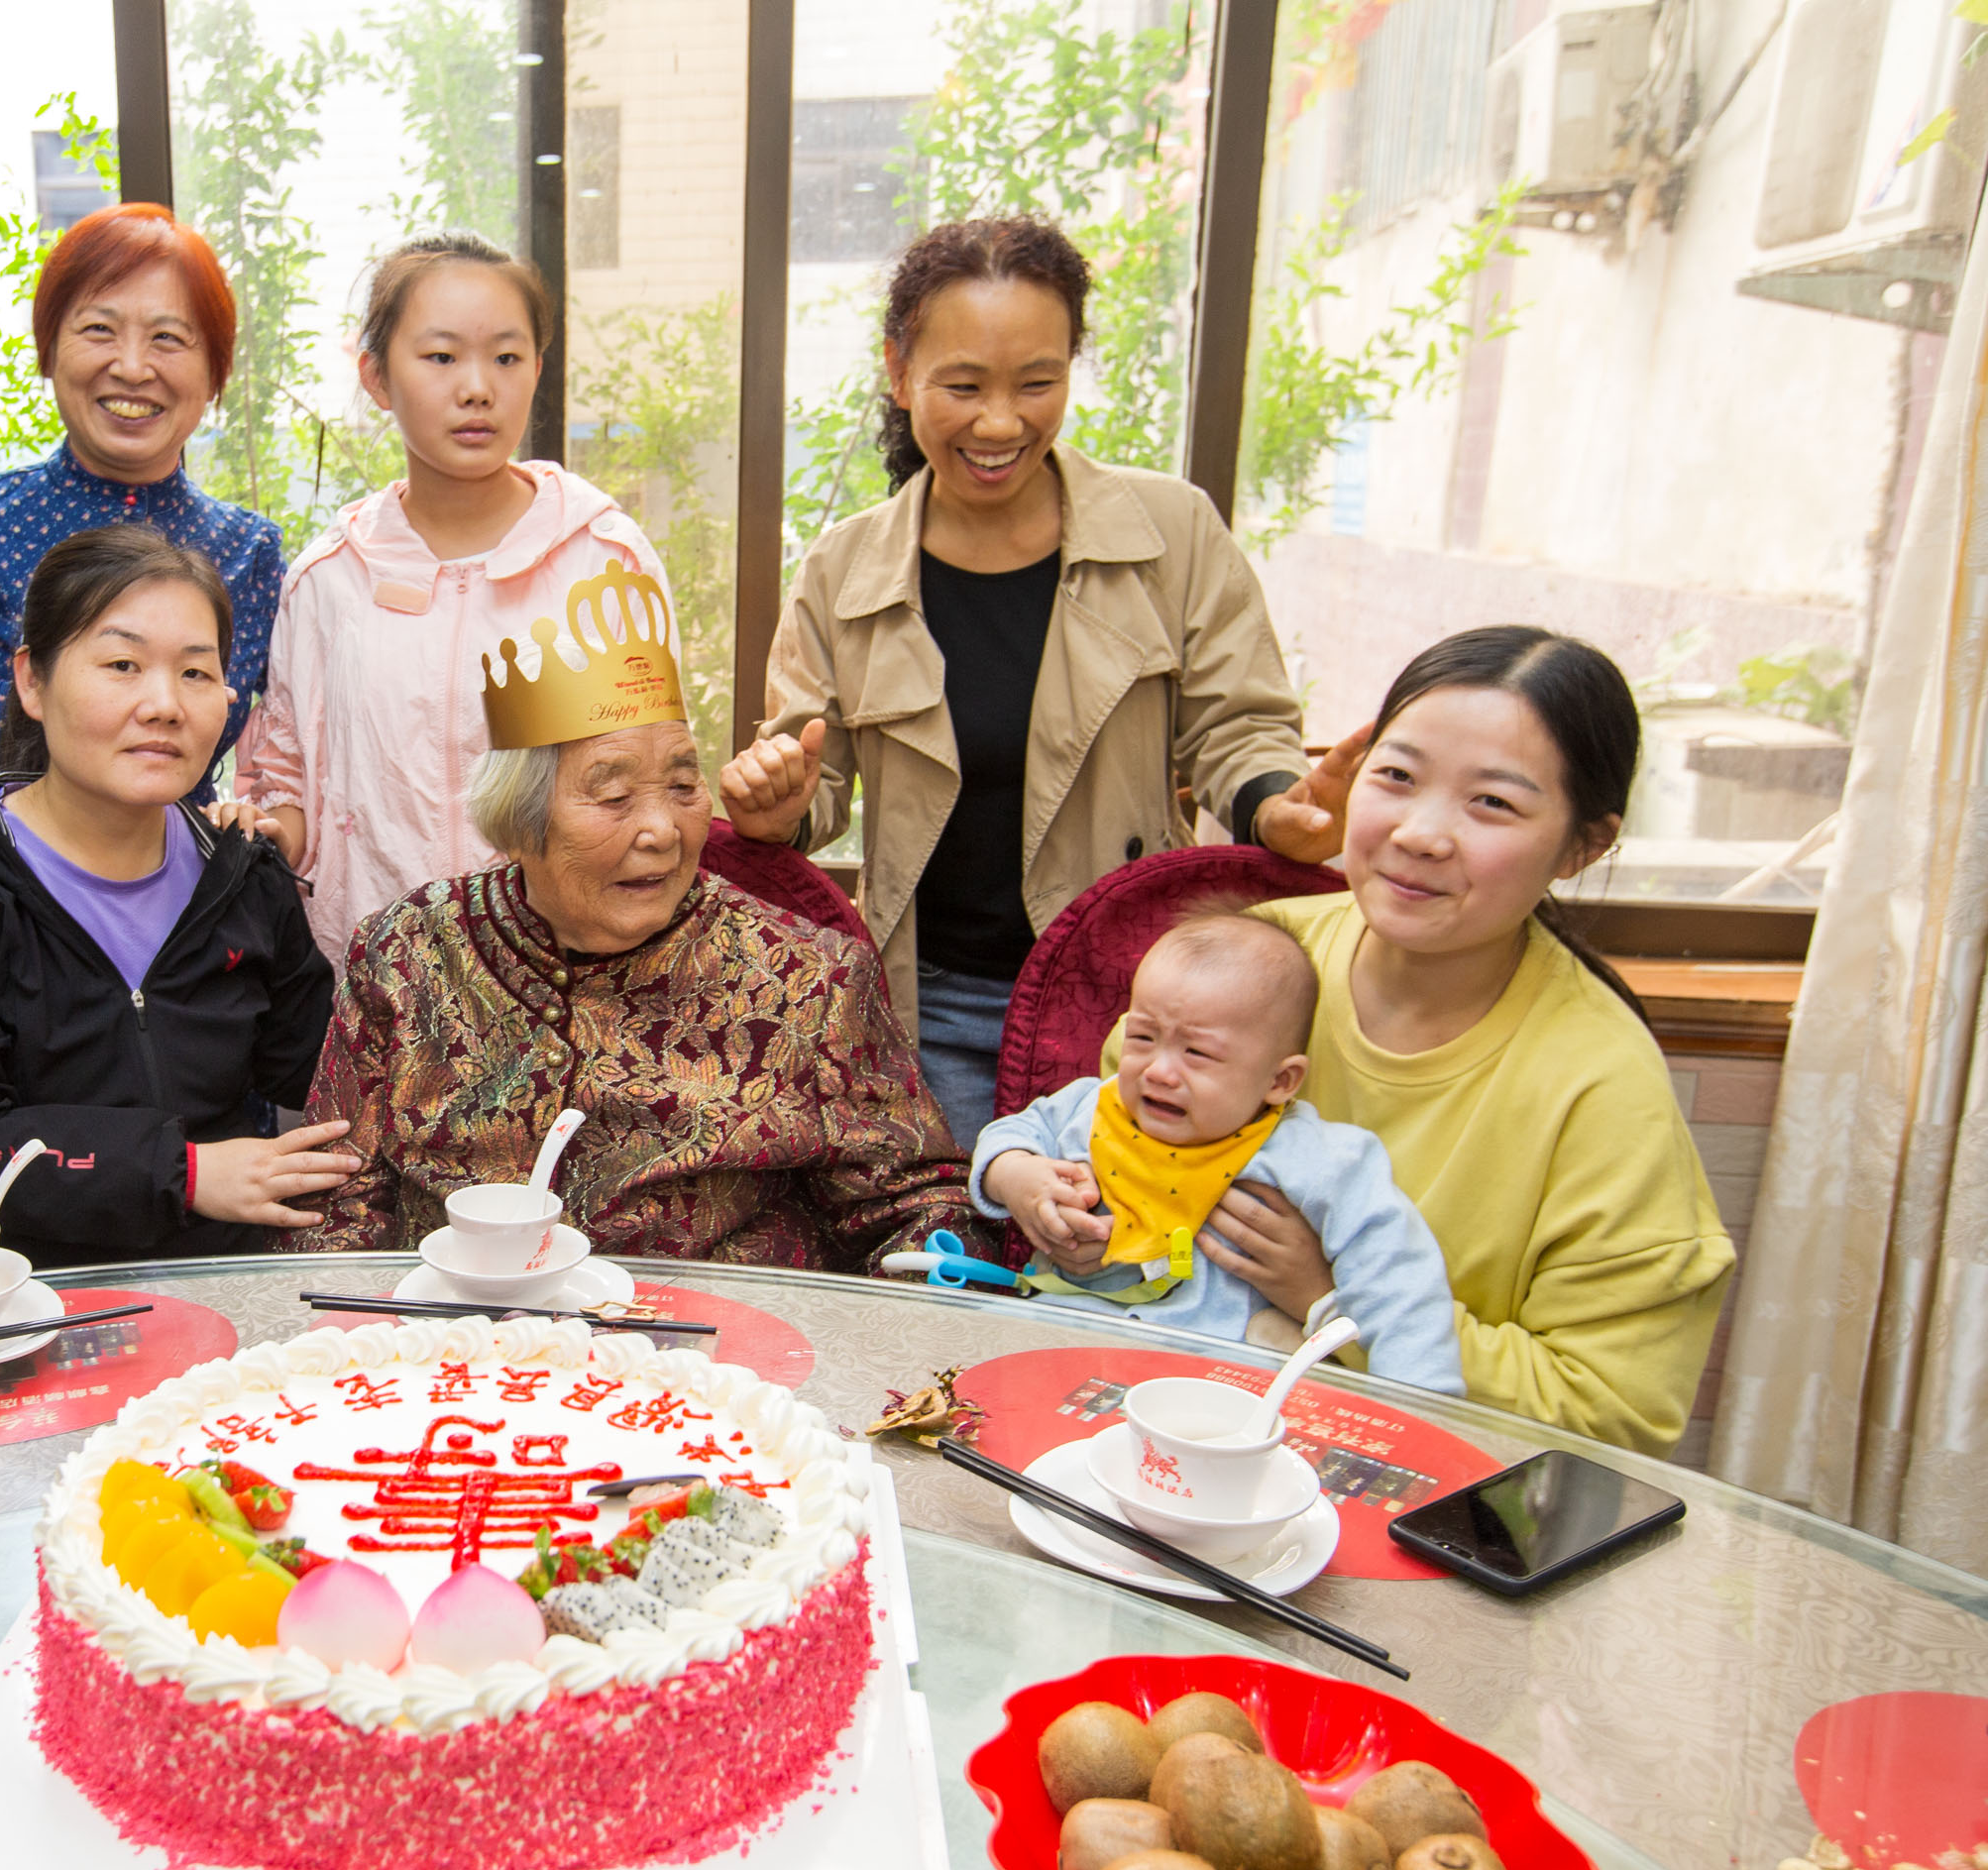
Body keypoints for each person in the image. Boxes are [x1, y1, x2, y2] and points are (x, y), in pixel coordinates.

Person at [718, 214, 1357, 1150]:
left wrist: (1274, 808)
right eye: (963, 385)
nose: (1000, 422)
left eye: (1038, 383)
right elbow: (817, 781)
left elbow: (1238, 729)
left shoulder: (1170, 534)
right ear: (899, 374)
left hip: (1138, 1006)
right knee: (954, 1263)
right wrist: (774, 807)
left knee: (1114, 1264)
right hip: (931, 1007)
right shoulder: (842, 569)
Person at [1093, 627, 1734, 1455]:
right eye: (1396, 778)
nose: (1421, 834)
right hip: (1166, 1428)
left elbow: (1611, 1411)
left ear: (1585, 845)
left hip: (1416, 1490)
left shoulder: (1602, 1088)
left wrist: (1333, 1299)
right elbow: (1109, 1142)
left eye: (1492, 803)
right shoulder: (1260, 962)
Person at [288, 556, 981, 1270]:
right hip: (459, 1354)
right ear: (520, 823)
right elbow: (337, 1204)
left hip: (719, 1353)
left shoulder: (807, 978)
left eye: (684, 784)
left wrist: (937, 1266)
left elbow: (917, 1208)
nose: (661, 830)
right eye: (614, 797)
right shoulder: (409, 954)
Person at [0, 525, 342, 1265]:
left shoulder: (242, 874)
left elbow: (329, 1069)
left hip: (232, 1279)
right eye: (122, 664)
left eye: (197, 674)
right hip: (25, 1298)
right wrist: (186, 1172)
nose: (164, 705)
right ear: (32, 682)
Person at [224, 232, 674, 961]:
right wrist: (268, 828)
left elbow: (647, 781)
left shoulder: (601, 558)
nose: (477, 387)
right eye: (440, 357)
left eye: (506, 357)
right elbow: (290, 786)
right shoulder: (331, 580)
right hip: (380, 988)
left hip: (566, 984)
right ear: (376, 377)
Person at [0, 204, 281, 823]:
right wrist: (69, 709)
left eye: (168, 337)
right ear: (48, 350)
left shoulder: (250, 551)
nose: (133, 367)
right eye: (99, 330)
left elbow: (299, 739)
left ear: (214, 373)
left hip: (173, 895)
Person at [973, 913, 1463, 1393]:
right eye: (1143, 1037)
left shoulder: (1320, 1161)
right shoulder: (1090, 1106)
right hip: (1059, 1356)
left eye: (1198, 1053)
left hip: (1217, 1396)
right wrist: (1019, 1176)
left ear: (1279, 1080)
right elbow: (1007, 1135)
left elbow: (1400, 1287)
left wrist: (1426, 1408)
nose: (1160, 1071)